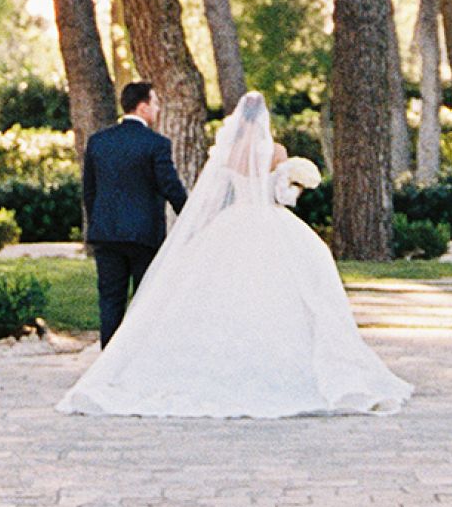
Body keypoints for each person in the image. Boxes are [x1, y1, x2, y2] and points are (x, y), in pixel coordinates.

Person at [59, 90, 413, 418]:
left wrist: (194, 225)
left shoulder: (227, 153)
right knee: (279, 291)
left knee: (181, 294)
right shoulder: (275, 152)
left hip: (226, 222)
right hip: (269, 223)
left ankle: (114, 362)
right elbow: (283, 197)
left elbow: (212, 194)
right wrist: (296, 185)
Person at [81, 79, 188, 345]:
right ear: (142, 107)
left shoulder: (98, 142)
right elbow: (170, 186)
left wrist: (98, 223)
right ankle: (137, 360)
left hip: (106, 235)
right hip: (144, 235)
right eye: (155, 102)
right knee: (145, 302)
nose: (158, 108)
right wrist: (190, 215)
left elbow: (89, 191)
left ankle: (109, 361)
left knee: (110, 302)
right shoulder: (156, 144)